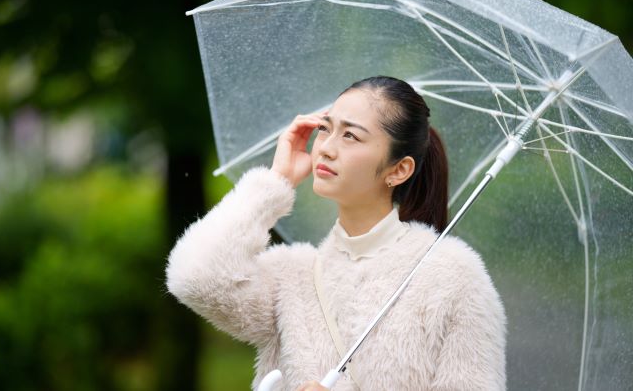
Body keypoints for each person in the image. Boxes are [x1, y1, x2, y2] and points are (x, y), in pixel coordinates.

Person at [165, 76, 507, 390]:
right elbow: (195, 277)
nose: (326, 148)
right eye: (325, 128)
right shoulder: (292, 277)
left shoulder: (453, 278)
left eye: (350, 136)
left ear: (399, 169)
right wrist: (276, 180)